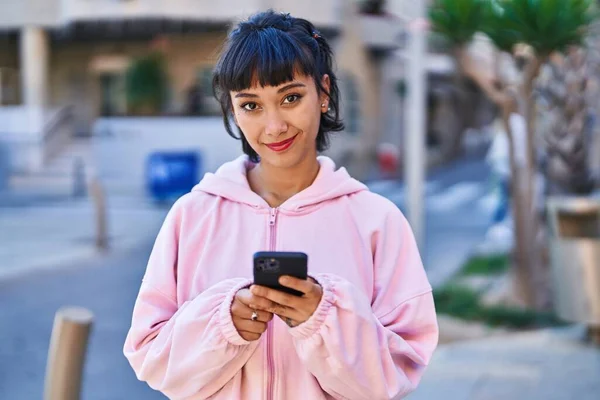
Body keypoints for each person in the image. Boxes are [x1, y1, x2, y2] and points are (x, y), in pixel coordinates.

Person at [123, 10, 438, 400]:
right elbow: (151, 359)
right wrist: (224, 325)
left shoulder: (377, 221)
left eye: (290, 97)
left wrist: (324, 320)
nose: (273, 127)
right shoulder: (192, 215)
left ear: (323, 93)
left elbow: (397, 375)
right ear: (233, 110)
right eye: (251, 105)